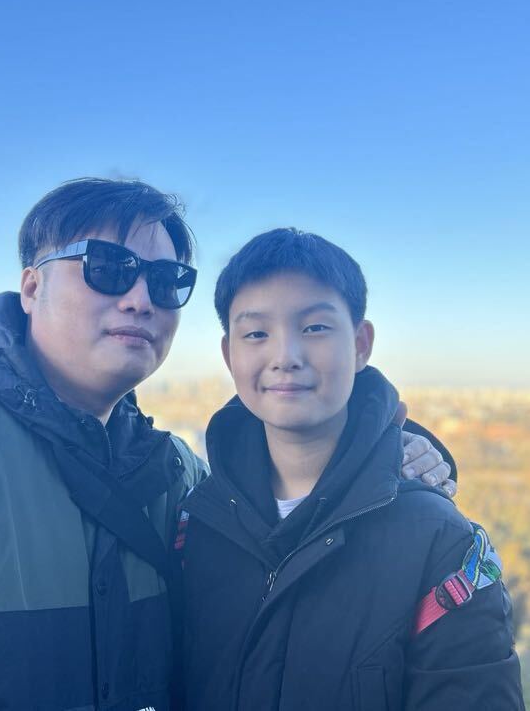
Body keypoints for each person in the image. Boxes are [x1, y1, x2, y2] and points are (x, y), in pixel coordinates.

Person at [0, 179, 451, 711]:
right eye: (107, 267)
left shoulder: (176, 476)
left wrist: (387, 447)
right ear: (32, 285)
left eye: (165, 280)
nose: (139, 298)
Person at [178, 228, 524, 710]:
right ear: (228, 354)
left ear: (361, 344)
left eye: (314, 328)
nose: (285, 357)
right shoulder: (195, 526)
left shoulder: (440, 542)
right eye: (256, 333)